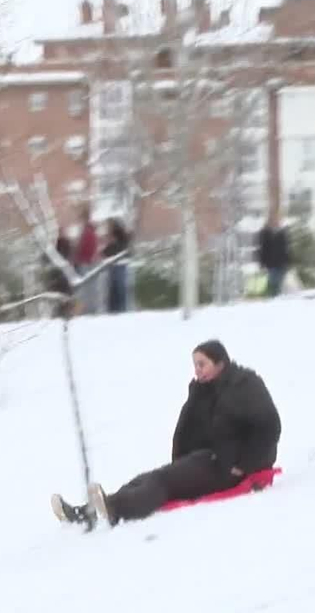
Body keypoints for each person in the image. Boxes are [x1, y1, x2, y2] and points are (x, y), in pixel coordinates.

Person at [53, 339, 281, 528]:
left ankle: (115, 508)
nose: (197, 370)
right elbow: (193, 426)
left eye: (202, 364)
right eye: (195, 365)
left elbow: (270, 426)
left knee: (162, 482)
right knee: (145, 478)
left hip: (230, 467)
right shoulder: (207, 389)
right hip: (210, 457)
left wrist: (244, 464)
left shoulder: (244, 385)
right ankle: (88, 511)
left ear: (220, 363)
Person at [255, 214, 291, 298]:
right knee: (273, 283)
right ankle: (271, 299)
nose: (276, 222)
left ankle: (275, 298)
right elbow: (262, 250)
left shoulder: (282, 233)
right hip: (271, 264)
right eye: (274, 221)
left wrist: (288, 261)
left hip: (282, 263)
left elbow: (286, 249)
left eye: (277, 221)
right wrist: (262, 264)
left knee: (278, 283)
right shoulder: (265, 233)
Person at [103, 218, 132, 313]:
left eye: (109, 225)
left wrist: (106, 249)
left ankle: (118, 309)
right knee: (117, 288)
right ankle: (117, 308)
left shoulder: (118, 236)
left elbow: (111, 250)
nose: (107, 228)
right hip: (118, 264)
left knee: (118, 288)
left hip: (118, 264)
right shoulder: (122, 236)